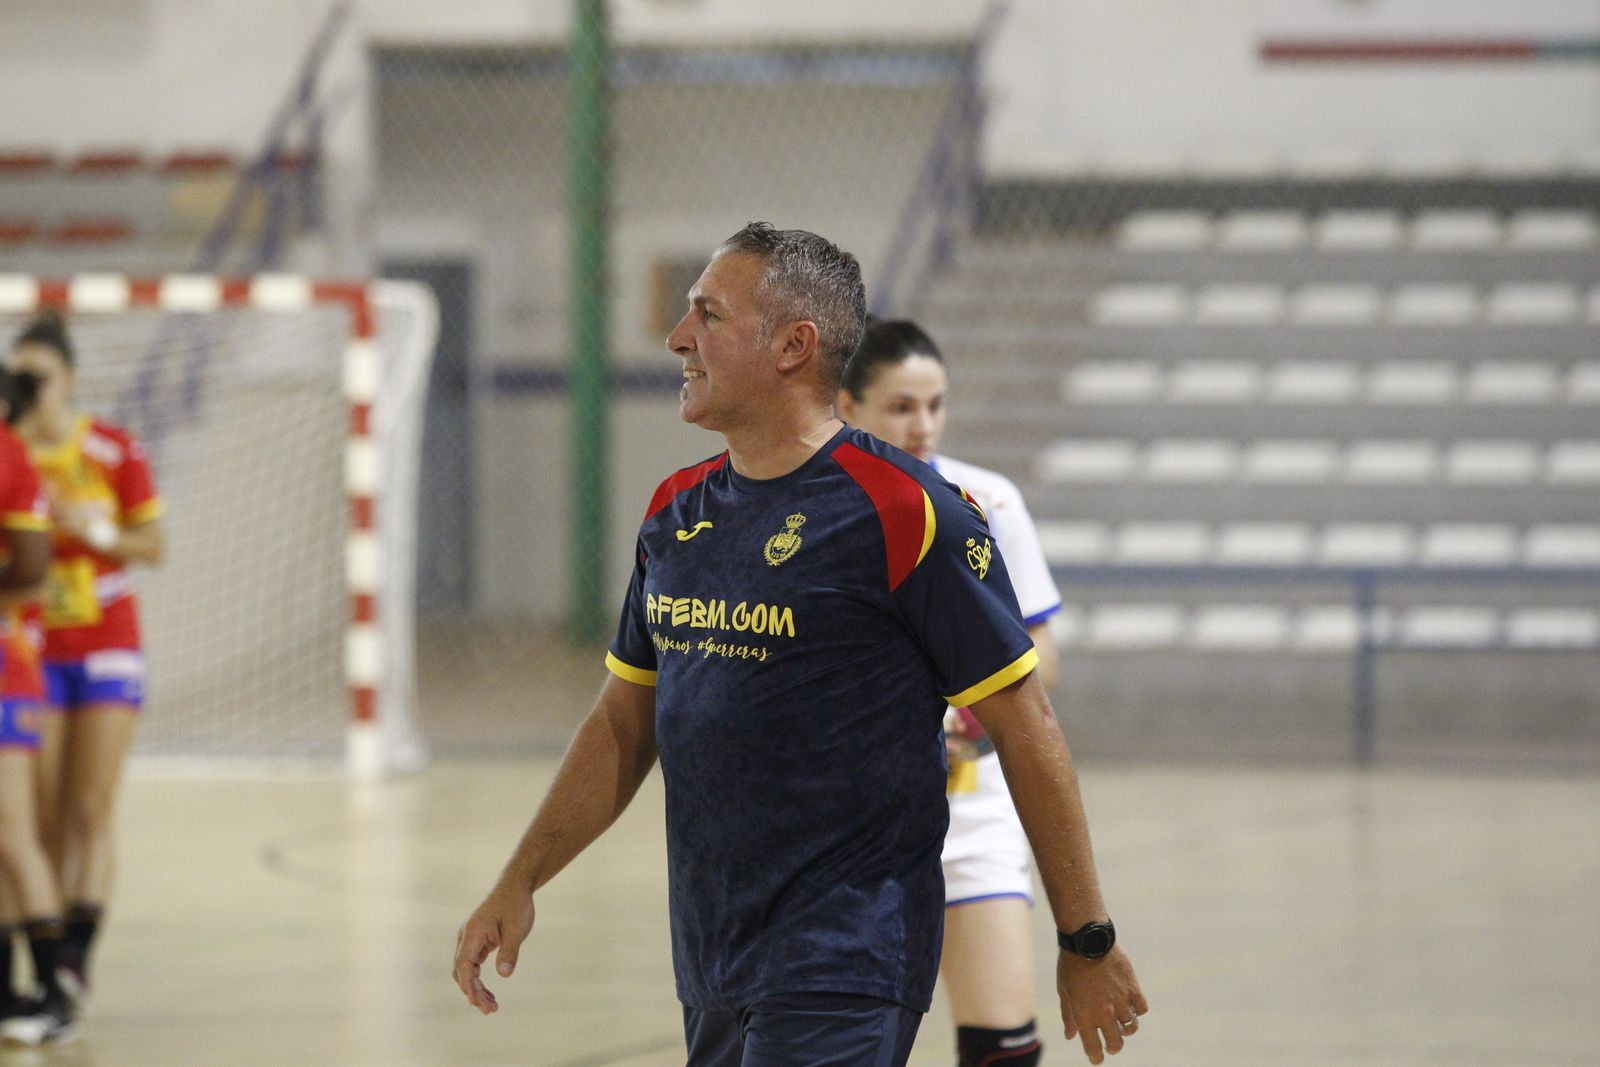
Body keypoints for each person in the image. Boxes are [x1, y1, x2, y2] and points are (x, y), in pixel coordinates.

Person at [454, 223, 1146, 1066]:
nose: (678, 338)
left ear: (793, 345)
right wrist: (520, 875)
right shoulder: (675, 512)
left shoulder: (908, 512)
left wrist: (1085, 936)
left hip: (846, 954)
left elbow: (1025, 722)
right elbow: (624, 722)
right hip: (712, 956)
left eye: (708, 314)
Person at [837, 318, 1062, 1066]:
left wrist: (972, 716)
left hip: (968, 808)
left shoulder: (987, 502)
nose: (923, 424)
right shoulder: (816, 512)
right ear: (847, 406)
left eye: (935, 405)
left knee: (1003, 1045)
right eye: (902, 406)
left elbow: (1038, 648)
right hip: (849, 820)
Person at [9, 311, 166, 1008]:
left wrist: (96, 528)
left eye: (40, 375)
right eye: (19, 375)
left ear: (69, 379)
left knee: (88, 809)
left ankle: (71, 963)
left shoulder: (110, 448)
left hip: (105, 643)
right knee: (32, 820)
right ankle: (37, 963)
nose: (29, 387)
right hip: (35, 651)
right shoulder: (10, 453)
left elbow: (154, 543)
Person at [0, 366, 76, 1044]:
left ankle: (55, 990)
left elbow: (30, 566)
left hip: (5, 666)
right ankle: (9, 993)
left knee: (13, 831)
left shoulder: (7, 454)